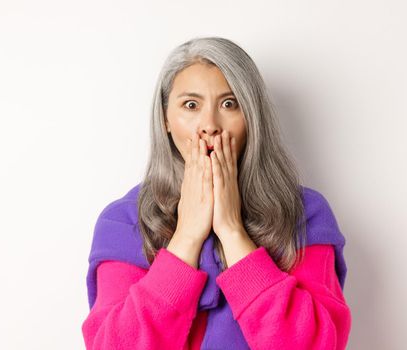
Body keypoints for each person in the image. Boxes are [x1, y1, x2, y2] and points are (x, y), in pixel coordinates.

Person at [81, 36, 352, 350]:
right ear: (166, 119)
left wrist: (233, 231)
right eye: (191, 105)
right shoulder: (122, 221)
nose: (209, 125)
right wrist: (187, 236)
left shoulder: (305, 212)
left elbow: (314, 344)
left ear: (252, 117)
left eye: (229, 104)